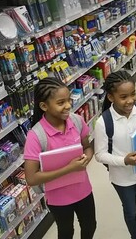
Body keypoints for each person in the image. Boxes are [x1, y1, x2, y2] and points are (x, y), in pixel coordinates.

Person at [24, 77, 96, 239]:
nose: (68, 105)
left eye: (69, 100)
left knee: (90, 226)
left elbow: (87, 147)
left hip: (83, 189)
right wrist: (69, 168)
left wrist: (87, 158)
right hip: (58, 198)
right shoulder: (36, 136)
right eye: (61, 102)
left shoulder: (76, 121)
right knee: (66, 232)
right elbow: (31, 178)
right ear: (44, 106)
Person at [94, 70, 136, 239]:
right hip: (121, 178)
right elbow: (99, 155)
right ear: (111, 97)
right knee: (131, 211)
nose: (130, 100)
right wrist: (124, 160)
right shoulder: (104, 123)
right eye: (123, 97)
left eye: (133, 94)